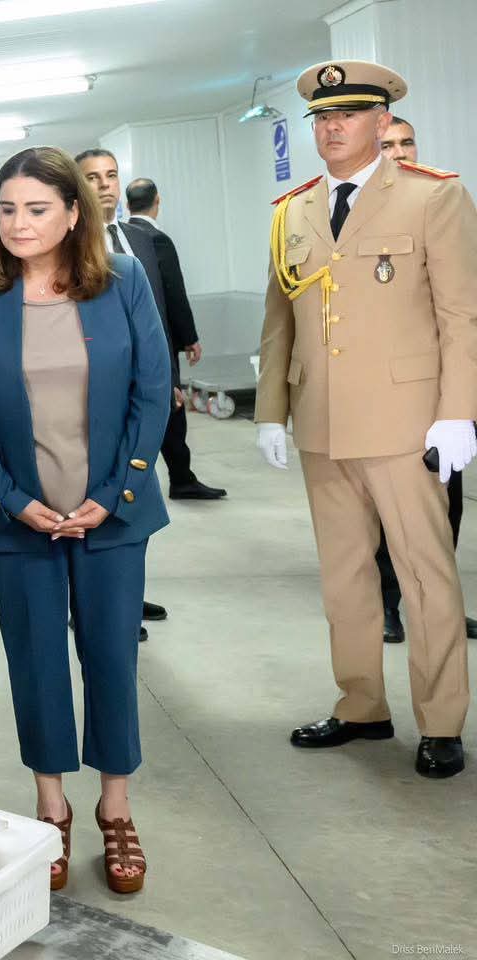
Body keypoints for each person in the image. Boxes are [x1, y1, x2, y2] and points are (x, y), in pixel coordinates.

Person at [0, 146, 170, 895]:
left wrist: (118, 490)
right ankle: (51, 808)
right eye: (7, 209)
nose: (19, 223)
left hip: (112, 511)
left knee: (111, 657)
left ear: (74, 213)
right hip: (19, 516)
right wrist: (11, 499)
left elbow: (151, 390)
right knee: (36, 661)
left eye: (37, 209)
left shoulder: (123, 281)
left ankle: (115, 807)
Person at [257, 60, 477, 779]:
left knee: (425, 576)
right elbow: (280, 320)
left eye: (348, 114)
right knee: (344, 577)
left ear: (382, 123)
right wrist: (270, 413)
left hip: (406, 425)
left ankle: (441, 722)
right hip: (322, 425)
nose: (332, 127)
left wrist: (458, 414)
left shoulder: (431, 197)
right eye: (323, 117)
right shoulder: (293, 211)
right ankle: (362, 706)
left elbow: (462, 316)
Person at [371, 118, 473, 642]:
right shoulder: (357, 212)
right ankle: (387, 603)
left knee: (444, 502)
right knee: (385, 510)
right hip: (385, 394)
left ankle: (439, 603)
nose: (399, 152)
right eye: (388, 144)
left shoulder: (443, 200)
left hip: (441, 389)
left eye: (406, 142)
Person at [75, 152, 225, 502]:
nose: (104, 185)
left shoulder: (141, 239)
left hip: (148, 371)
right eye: (92, 177)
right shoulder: (70, 246)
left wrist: (169, 376)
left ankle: (176, 481)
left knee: (149, 462)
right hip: (97, 376)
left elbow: (157, 313)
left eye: (111, 175)